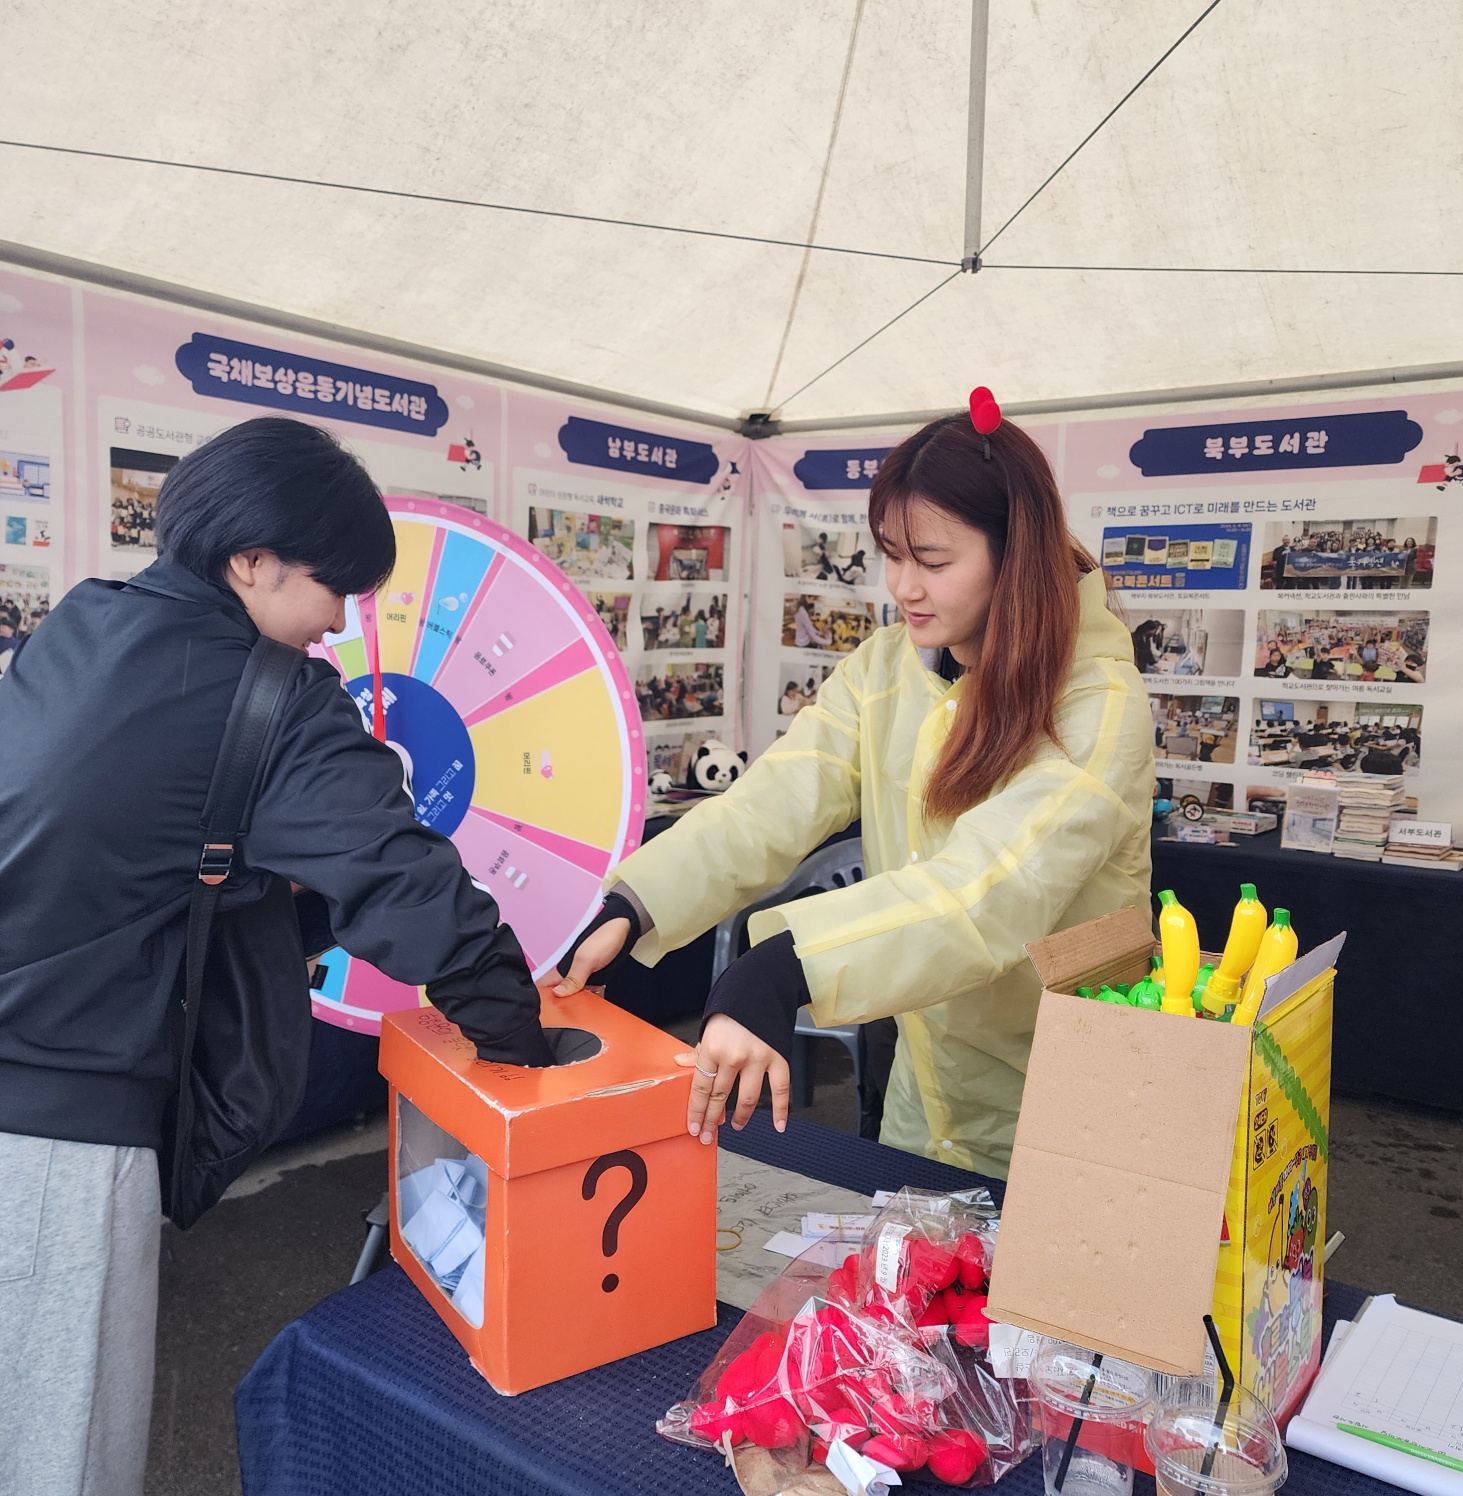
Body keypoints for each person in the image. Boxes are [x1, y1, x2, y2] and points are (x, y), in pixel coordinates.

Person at [0, 417, 553, 1496]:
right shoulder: (270, 693)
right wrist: (523, 1037)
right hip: (62, 1131)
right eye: (331, 586)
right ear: (251, 560)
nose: (338, 620)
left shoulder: (78, 624)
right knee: (56, 1454)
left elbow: (120, 846)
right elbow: (407, 884)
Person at [551, 408, 1154, 1178]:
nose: (904, 586)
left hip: (1065, 1102)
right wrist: (634, 901)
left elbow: (985, 895)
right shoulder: (888, 667)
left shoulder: (1098, 706)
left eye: (933, 560)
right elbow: (774, 802)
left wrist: (786, 966)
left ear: (1016, 554)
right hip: (925, 1092)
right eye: (891, 555)